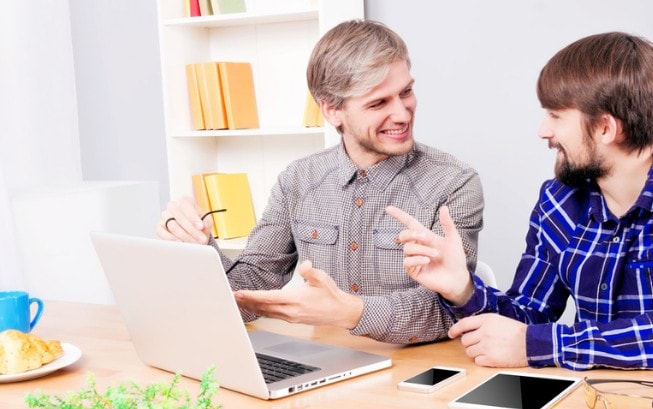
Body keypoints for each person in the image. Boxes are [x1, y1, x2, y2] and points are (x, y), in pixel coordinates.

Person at [388, 31, 653, 369]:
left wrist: (542, 345)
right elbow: (528, 318)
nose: (543, 131)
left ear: (605, 127)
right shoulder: (560, 200)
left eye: (555, 115)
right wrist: (462, 289)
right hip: (594, 407)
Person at [157, 20, 483, 344]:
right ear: (332, 111)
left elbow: (448, 310)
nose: (402, 114)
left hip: (417, 372)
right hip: (324, 366)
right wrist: (199, 251)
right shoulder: (298, 181)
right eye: (378, 103)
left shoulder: (454, 183)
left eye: (406, 92)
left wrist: (349, 311)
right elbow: (251, 289)